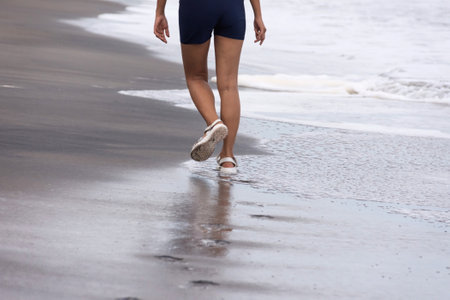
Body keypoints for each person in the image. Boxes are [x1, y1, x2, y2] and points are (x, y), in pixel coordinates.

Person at [154, 0, 266, 174]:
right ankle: (228, 158)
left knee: (195, 77)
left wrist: (160, 11)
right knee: (229, 85)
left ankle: (214, 123)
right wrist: (258, 15)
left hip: (196, 7)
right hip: (232, 7)